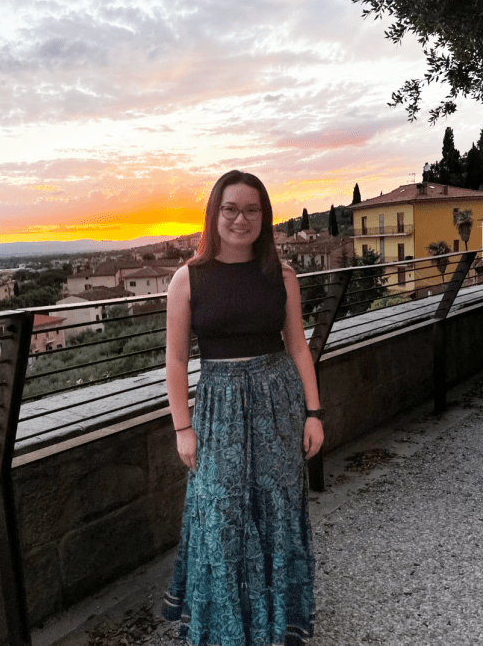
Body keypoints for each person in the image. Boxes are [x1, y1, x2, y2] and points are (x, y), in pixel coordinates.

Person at [162, 170, 324, 646]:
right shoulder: (186, 279)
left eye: (252, 209)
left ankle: (277, 620)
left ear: (265, 217)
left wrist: (314, 413)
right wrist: (182, 428)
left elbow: (297, 348)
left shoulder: (283, 276)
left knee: (276, 510)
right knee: (220, 514)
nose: (240, 219)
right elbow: (173, 360)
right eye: (230, 208)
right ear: (213, 214)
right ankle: (225, 627)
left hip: (278, 404)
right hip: (216, 408)